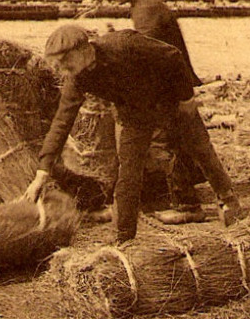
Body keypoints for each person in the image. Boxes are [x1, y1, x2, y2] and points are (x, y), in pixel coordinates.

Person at [97, 0, 242, 226]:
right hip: (174, 88)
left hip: (171, 91)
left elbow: (147, 52)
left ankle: (189, 205)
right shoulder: (143, 7)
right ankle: (225, 198)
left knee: (172, 144)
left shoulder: (146, 10)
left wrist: (111, 44)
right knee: (195, 145)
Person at [23, 25, 198, 244]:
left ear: (84, 51)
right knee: (127, 176)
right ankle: (123, 239)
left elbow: (173, 54)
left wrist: (187, 98)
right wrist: (42, 172)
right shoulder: (78, 77)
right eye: (59, 66)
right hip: (134, 115)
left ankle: (228, 203)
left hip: (170, 97)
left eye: (66, 64)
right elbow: (61, 121)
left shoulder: (122, 45)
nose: (64, 71)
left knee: (201, 148)